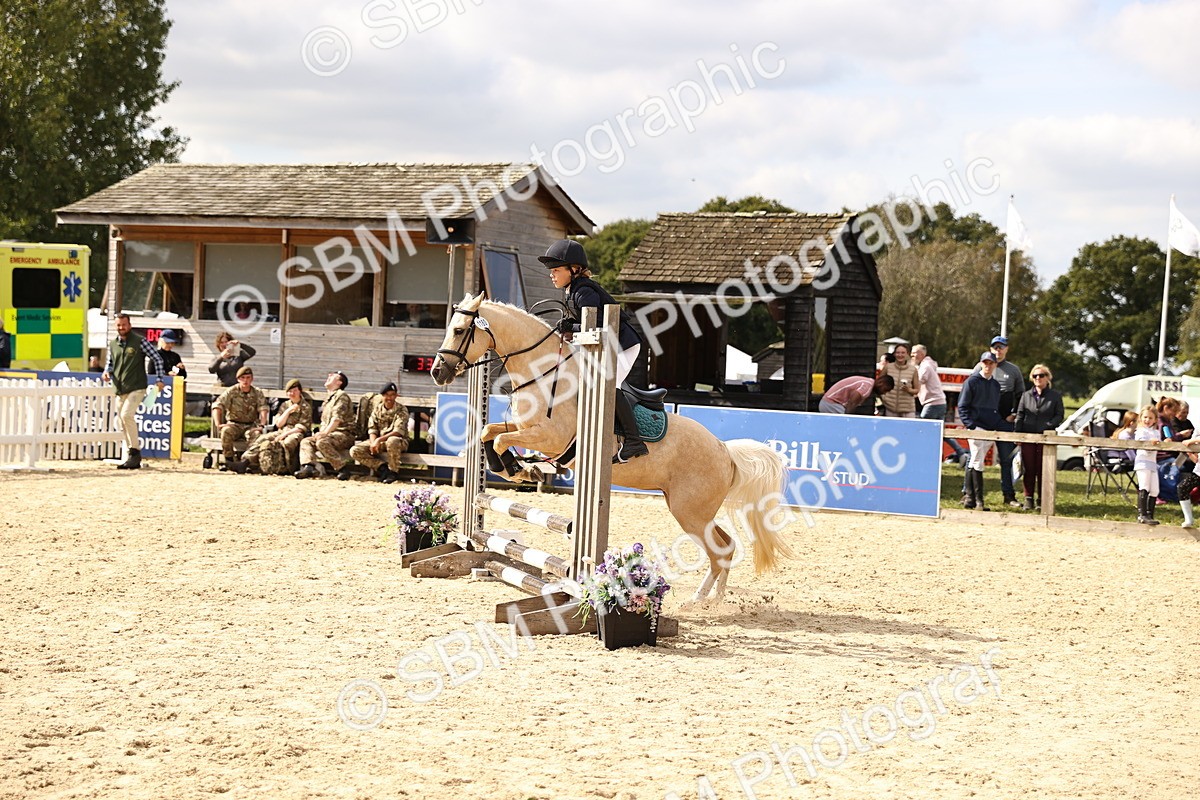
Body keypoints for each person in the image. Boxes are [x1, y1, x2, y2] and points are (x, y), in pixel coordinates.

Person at [539, 239, 648, 463]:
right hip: (608, 346)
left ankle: (634, 441)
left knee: (610, 385)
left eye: (557, 270)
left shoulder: (584, 291)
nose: (552, 274)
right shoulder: (573, 290)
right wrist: (569, 329)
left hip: (623, 346)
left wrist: (573, 327)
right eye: (552, 271)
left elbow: (600, 325)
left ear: (574, 269)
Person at [101, 314, 167, 470]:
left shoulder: (140, 341)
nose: (121, 328)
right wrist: (106, 372)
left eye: (124, 325)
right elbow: (110, 363)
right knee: (122, 421)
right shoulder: (113, 344)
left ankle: (135, 452)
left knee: (126, 415)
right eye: (118, 325)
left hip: (137, 386)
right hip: (119, 387)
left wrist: (159, 378)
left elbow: (157, 358)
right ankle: (131, 455)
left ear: (129, 325)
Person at [228, 378, 313, 475]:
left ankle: (286, 467)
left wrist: (285, 434)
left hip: (295, 432)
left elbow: (300, 428)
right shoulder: (285, 405)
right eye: (289, 391)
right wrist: (288, 411)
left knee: (288, 442)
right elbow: (278, 424)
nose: (292, 393)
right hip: (282, 431)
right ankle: (245, 462)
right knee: (262, 439)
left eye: (295, 391)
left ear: (299, 391)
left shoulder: (305, 406)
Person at [1013, 364, 1064, 511]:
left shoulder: (1055, 396)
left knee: (1043, 469)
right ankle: (1028, 498)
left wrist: (1048, 425)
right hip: (1028, 436)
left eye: (1041, 375)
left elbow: (1059, 415)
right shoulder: (1026, 395)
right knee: (1029, 469)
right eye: (1035, 376)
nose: (1038, 378)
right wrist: (1018, 433)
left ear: (1047, 378)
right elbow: (1020, 415)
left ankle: (1042, 499)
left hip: (1045, 438)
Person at [957, 351, 1002, 510]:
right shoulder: (971, 382)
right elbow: (962, 406)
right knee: (977, 461)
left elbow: (996, 407)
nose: (988, 366)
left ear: (995, 365)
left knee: (976, 460)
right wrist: (971, 425)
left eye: (991, 363)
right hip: (976, 427)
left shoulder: (996, 385)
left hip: (990, 429)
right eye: (985, 363)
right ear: (981, 363)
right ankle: (979, 501)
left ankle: (970, 498)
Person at [296, 371, 355, 479]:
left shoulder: (341, 396)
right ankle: (308, 467)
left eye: (332, 376)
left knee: (322, 442)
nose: (329, 376)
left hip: (344, 434)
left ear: (339, 382)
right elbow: (325, 422)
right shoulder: (329, 398)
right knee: (306, 442)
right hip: (330, 434)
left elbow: (336, 420)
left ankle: (342, 469)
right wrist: (320, 433)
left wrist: (324, 433)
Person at [347, 382, 411, 482]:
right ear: (382, 396)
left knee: (392, 440)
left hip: (398, 442)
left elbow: (398, 431)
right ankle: (382, 468)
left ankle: (393, 472)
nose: (390, 398)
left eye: (392, 395)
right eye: (387, 395)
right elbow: (372, 429)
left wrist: (378, 440)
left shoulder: (401, 409)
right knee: (355, 450)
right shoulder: (377, 409)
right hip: (380, 441)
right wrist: (373, 443)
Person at [212, 365, 269, 465]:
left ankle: (247, 462)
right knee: (226, 431)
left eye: (248, 378)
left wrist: (261, 425)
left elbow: (263, 409)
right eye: (242, 378)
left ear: (252, 379)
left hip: (250, 425)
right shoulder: (231, 391)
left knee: (256, 435)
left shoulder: (257, 392)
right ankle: (229, 461)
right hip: (234, 424)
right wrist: (218, 424)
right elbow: (217, 406)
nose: (245, 381)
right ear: (238, 379)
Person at [1133, 404, 1162, 525]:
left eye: (1150, 418)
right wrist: (1151, 444)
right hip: (1143, 462)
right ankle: (1142, 514)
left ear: (1155, 419)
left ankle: (1150, 514)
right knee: (1144, 487)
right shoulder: (1140, 431)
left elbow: (1157, 446)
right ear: (1141, 418)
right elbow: (1143, 445)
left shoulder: (1156, 432)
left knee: (1155, 490)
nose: (1147, 420)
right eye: (1145, 417)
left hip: (1153, 463)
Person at [877, 343, 920, 417]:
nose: (900, 355)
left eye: (903, 353)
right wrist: (884, 399)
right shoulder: (888, 367)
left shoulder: (913, 370)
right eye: (898, 352)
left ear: (907, 354)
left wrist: (909, 390)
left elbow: (917, 390)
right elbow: (878, 384)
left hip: (908, 410)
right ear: (894, 354)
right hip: (890, 409)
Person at [818, 375, 894, 414]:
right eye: (885, 390)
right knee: (845, 426)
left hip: (828, 402)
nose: (884, 393)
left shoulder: (867, 382)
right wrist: (850, 418)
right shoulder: (867, 386)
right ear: (881, 383)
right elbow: (853, 400)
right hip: (831, 403)